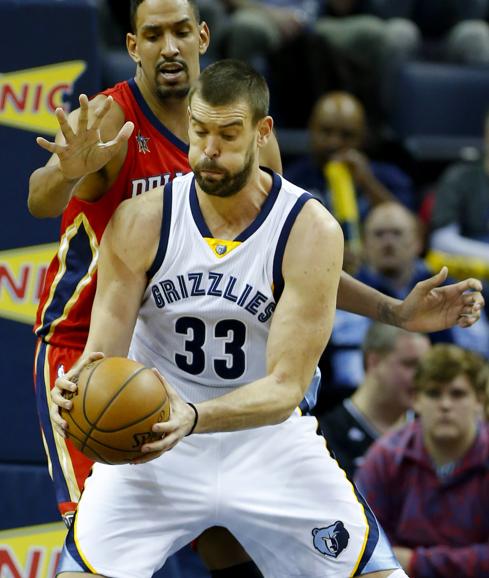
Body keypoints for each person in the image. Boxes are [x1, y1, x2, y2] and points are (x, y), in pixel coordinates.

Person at [28, 0, 483, 575]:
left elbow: (291, 269)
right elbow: (41, 205)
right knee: (92, 536)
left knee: (237, 546)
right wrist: (65, 172)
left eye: (179, 32)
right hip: (116, 365)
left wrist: (391, 311)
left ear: (202, 36)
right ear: (133, 44)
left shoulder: (300, 216)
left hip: (254, 420)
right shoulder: (117, 147)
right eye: (153, 34)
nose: (210, 151)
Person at [319, 201, 489, 410]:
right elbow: (340, 374)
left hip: (438, 405)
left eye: (397, 233)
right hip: (355, 406)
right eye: (379, 234)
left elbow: (477, 360)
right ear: (363, 244)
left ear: (417, 242)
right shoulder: (344, 293)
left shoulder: (450, 291)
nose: (388, 242)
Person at [355, 344, 489, 577]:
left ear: (479, 401)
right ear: (415, 399)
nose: (445, 405)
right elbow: (365, 546)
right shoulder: (385, 458)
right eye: (433, 393)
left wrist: (417, 562)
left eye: (457, 394)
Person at [320, 323, 430, 479]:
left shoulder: (433, 430)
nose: (422, 378)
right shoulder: (324, 435)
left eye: (425, 368)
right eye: (410, 364)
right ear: (374, 362)